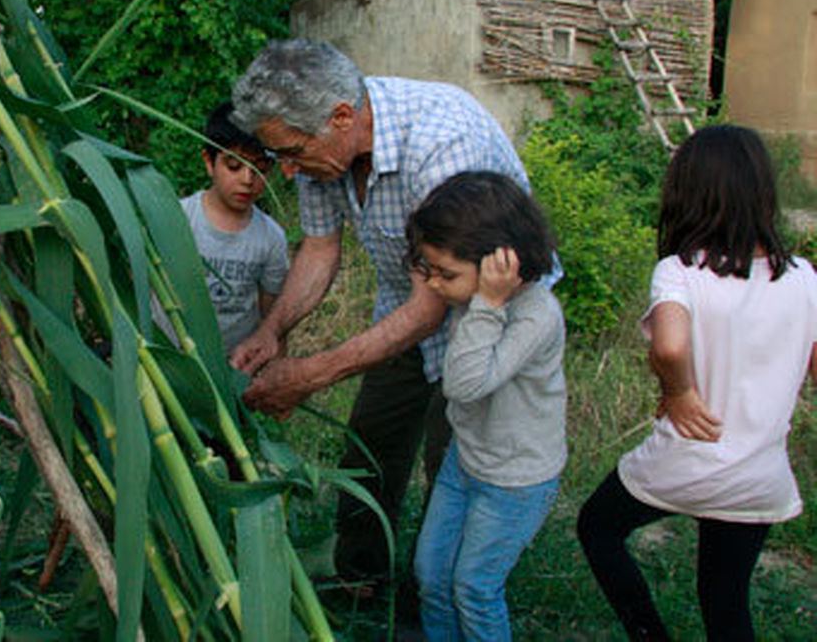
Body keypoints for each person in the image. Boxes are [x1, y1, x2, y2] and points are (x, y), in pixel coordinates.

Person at [229, 39, 539, 586]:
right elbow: (321, 249)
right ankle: (360, 573)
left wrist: (311, 375)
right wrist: (272, 332)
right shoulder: (321, 157)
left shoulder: (443, 144)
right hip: (409, 308)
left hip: (487, 324)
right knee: (371, 443)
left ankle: (441, 593)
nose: (286, 171)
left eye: (293, 152)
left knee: (455, 462)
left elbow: (435, 302)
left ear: (341, 117)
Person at [576, 125, 817, 641]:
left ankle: (649, 635)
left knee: (598, 529)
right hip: (759, 473)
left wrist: (679, 392)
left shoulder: (680, 271)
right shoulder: (804, 278)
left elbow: (669, 345)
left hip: (687, 459)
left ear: (689, 192)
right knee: (725, 599)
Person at [405, 171, 565, 641]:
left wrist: (488, 306)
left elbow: (466, 384)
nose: (434, 284)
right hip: (468, 460)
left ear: (501, 263)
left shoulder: (534, 314)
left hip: (515, 480)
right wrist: (479, 301)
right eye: (428, 270)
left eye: (446, 274)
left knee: (474, 588)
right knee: (431, 575)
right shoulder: (472, 301)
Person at [182, 103, 288, 354]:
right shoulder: (177, 218)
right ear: (209, 162)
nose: (247, 180)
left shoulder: (271, 238)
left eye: (260, 169)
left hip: (236, 367)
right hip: (175, 364)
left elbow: (272, 317)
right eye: (234, 166)